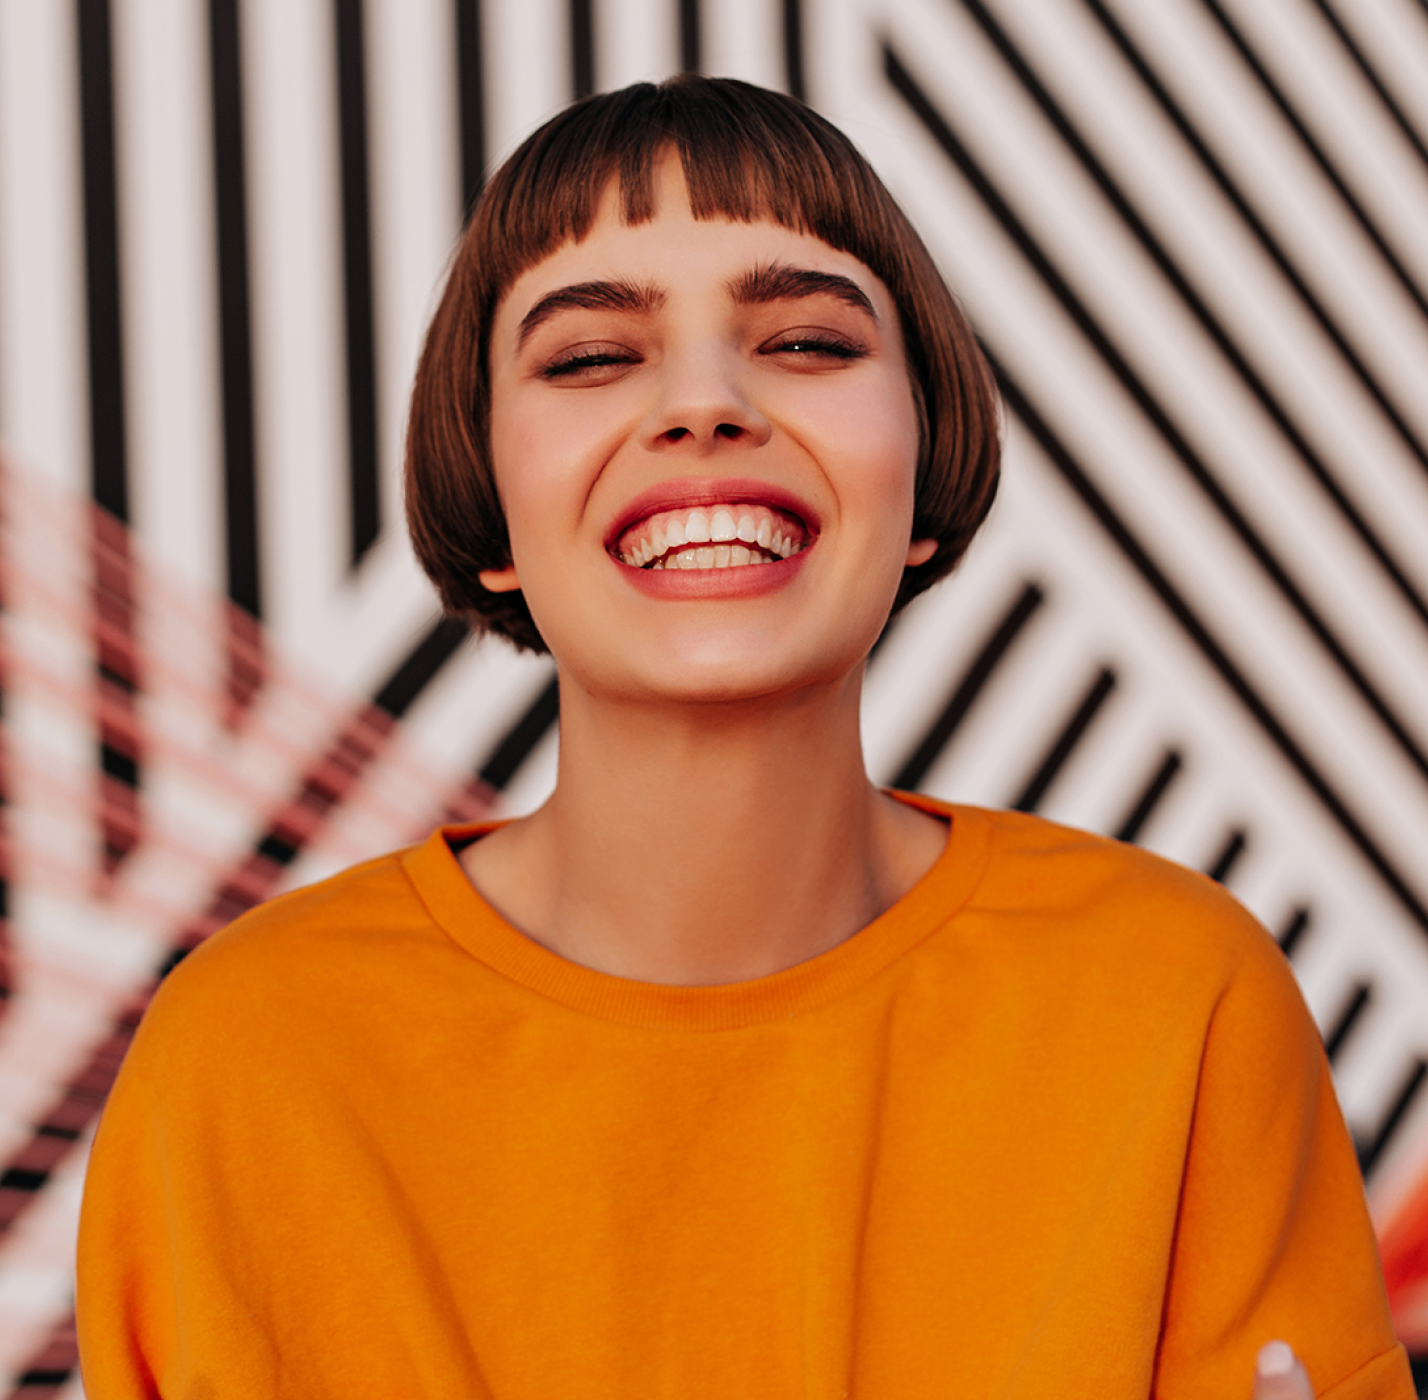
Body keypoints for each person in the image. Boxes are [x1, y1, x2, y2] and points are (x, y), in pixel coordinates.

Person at [76, 76, 1411, 1398]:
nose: (705, 404)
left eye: (810, 344)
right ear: (486, 498)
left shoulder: (1179, 1003)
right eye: (593, 356)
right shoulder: (246, 1061)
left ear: (925, 475)